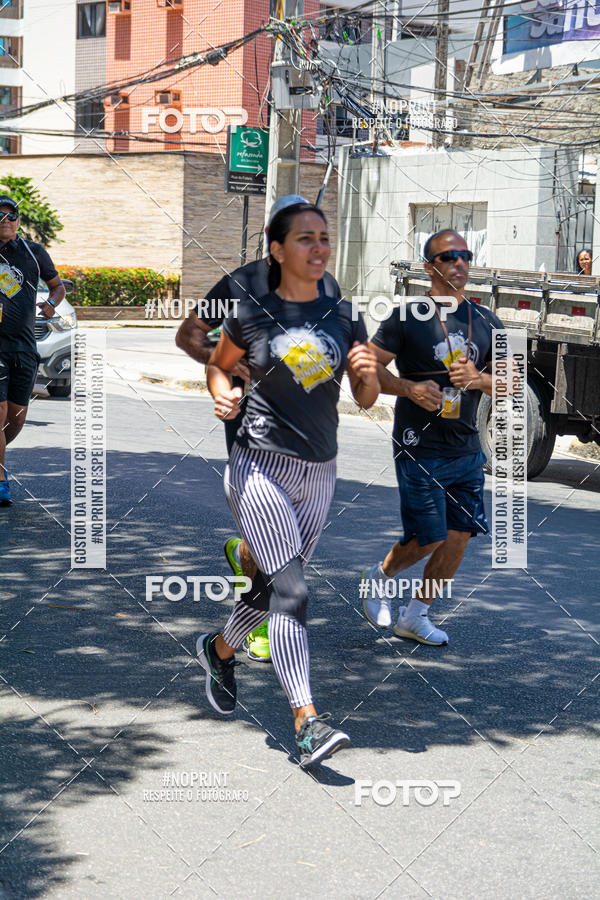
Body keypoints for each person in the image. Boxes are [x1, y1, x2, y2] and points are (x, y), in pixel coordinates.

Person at [196, 202, 379, 766]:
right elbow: (218, 363)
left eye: (325, 238)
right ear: (277, 250)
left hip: (320, 472)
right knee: (294, 593)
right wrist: (220, 390)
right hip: (259, 467)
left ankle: (220, 650)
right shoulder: (251, 309)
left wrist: (370, 377)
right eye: (306, 239)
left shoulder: (344, 313)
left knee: (267, 590)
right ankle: (307, 720)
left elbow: (366, 395)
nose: (319, 248)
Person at [176, 194, 342, 663]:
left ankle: (257, 591)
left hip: (307, 433)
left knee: (284, 540)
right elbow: (188, 335)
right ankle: (260, 618)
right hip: (252, 421)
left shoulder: (325, 286)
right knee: (269, 538)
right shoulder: (240, 283)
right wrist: (232, 368)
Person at [360, 228, 504, 645]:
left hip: (465, 447)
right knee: (428, 537)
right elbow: (369, 369)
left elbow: (513, 380)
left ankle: (415, 616)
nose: (459, 263)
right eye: (448, 257)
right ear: (430, 267)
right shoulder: (407, 317)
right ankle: (379, 576)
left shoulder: (486, 319)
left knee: (458, 539)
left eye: (465, 255)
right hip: (417, 444)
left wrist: (478, 379)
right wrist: (409, 388)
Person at [0, 196, 65, 507]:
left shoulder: (33, 252)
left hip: (25, 347)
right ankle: (1, 481)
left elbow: (57, 285)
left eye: (10, 215)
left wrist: (51, 304)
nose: (5, 220)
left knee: (15, 420)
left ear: (17, 219)